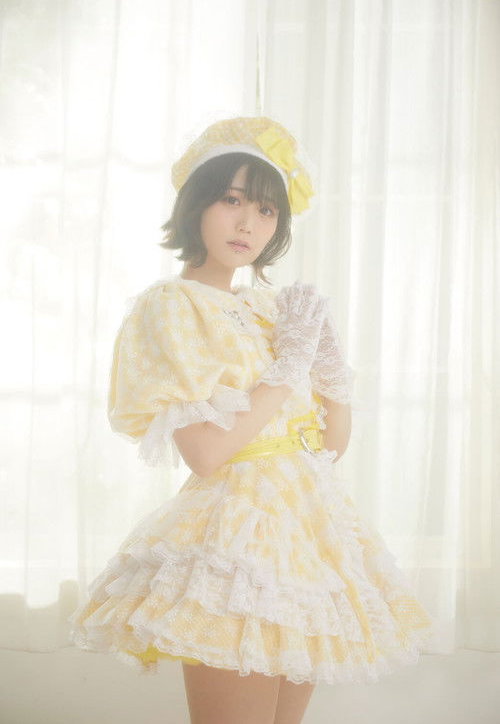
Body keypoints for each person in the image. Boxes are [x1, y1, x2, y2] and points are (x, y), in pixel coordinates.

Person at [68, 115, 434, 724]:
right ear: (197, 204)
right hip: (234, 537)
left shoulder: (268, 308)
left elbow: (327, 446)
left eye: (266, 210)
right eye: (232, 200)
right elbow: (206, 454)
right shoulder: (170, 306)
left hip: (307, 537)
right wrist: (287, 369)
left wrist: (329, 369)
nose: (247, 224)